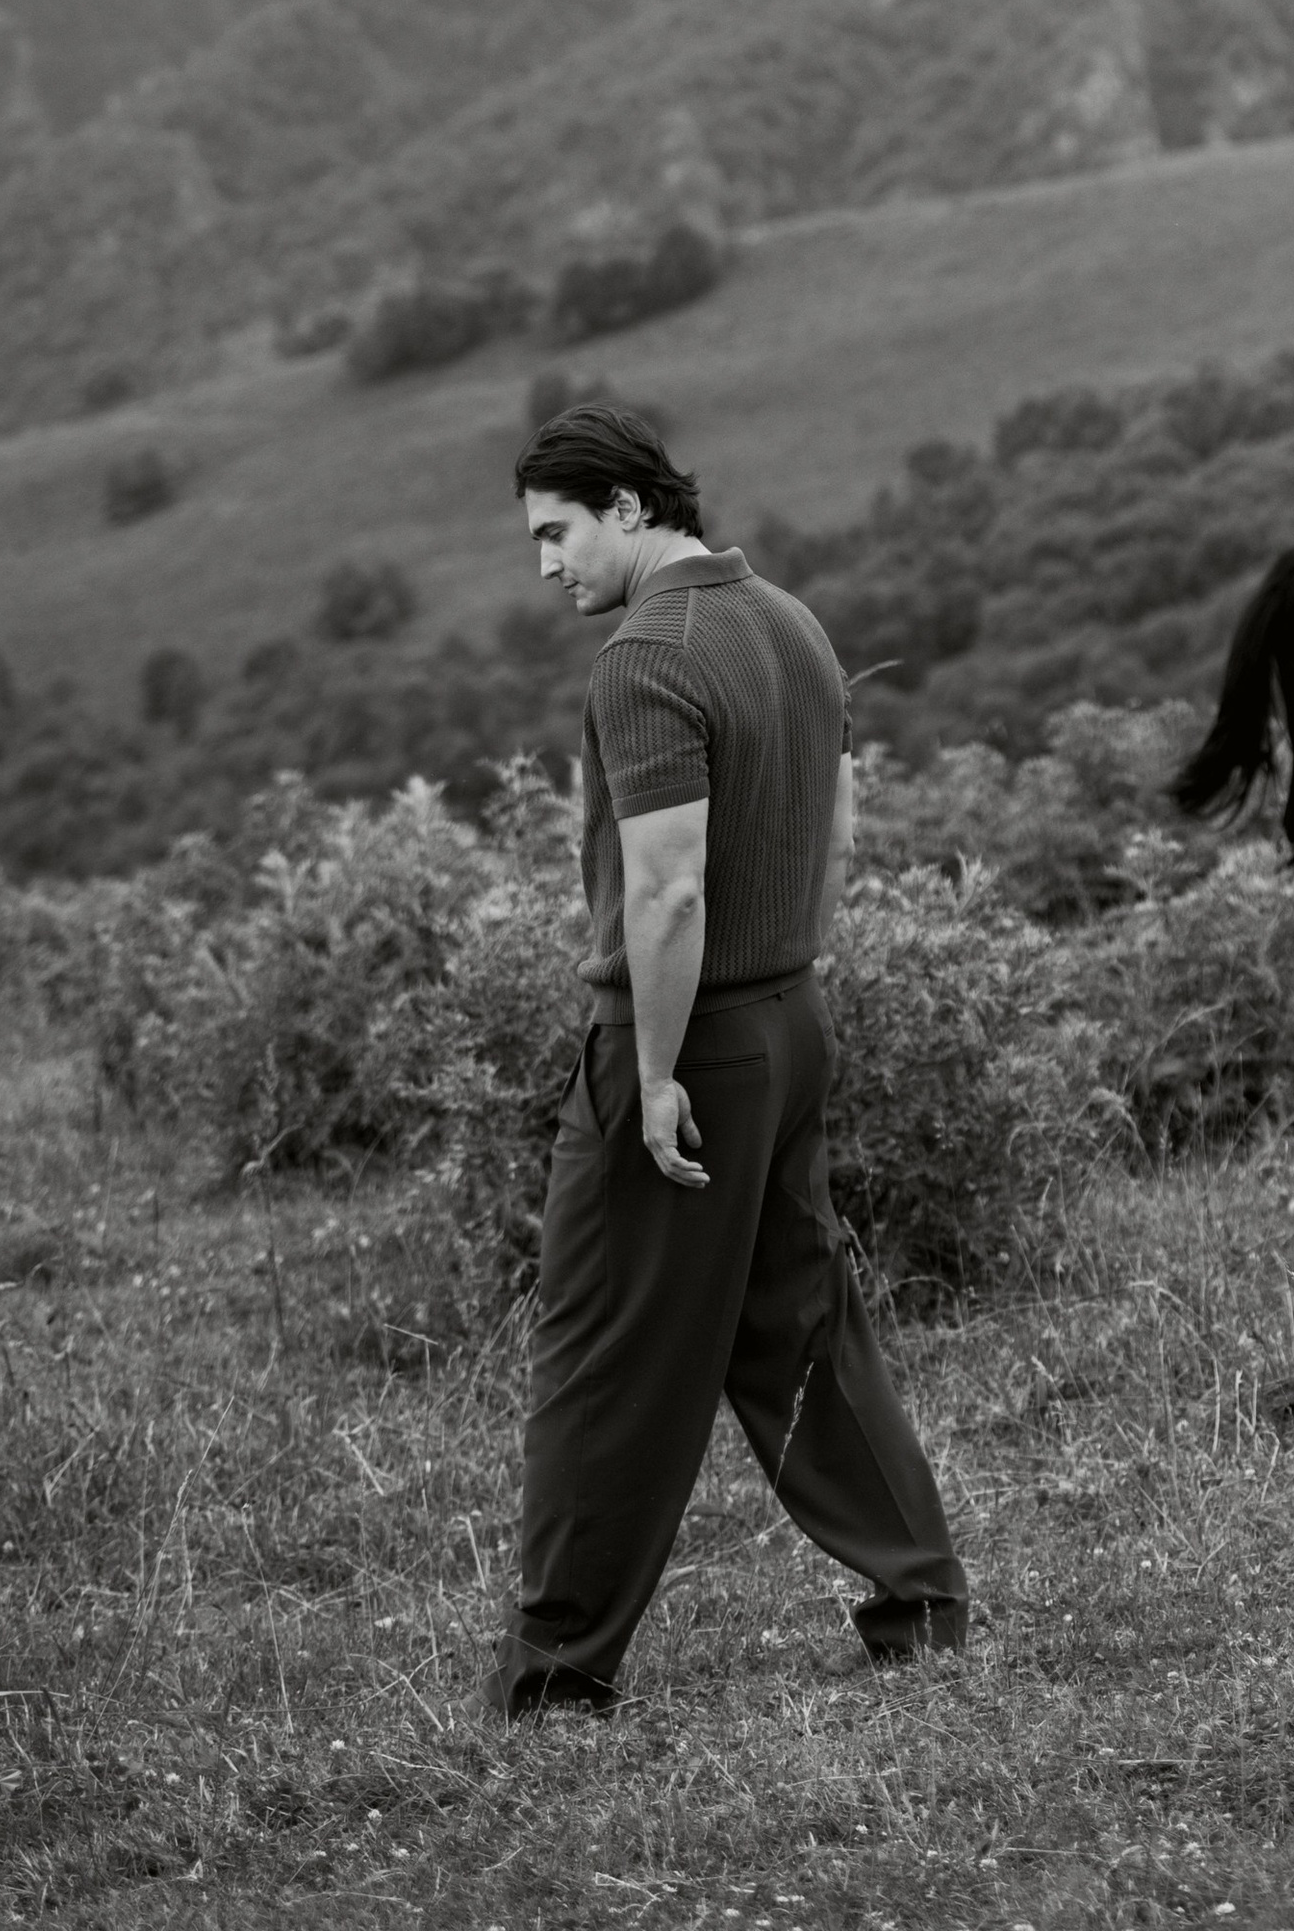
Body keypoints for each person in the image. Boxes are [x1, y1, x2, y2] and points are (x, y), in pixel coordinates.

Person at [486, 400, 967, 1716]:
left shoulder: (649, 659)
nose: (546, 565)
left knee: (603, 1354)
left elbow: (668, 893)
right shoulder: (790, 623)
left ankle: (557, 1677)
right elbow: (843, 819)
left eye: (558, 532)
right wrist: (788, 978)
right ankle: (918, 1597)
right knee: (796, 1320)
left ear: (632, 512)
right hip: (785, 1018)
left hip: (688, 1037)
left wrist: (651, 1073)